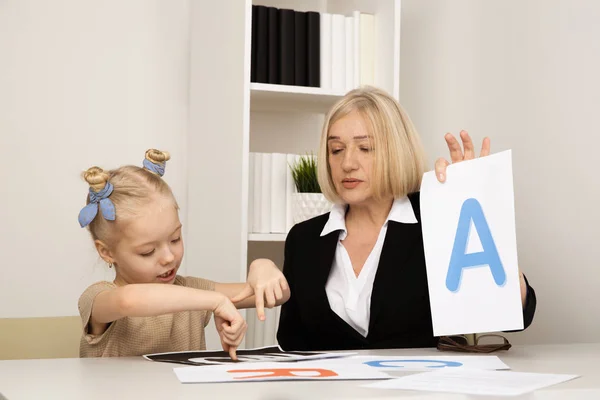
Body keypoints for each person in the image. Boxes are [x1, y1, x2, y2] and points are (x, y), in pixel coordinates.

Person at [277, 86, 536, 351]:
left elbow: (515, 315)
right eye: (336, 150)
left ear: (396, 151)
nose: (347, 163)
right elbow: (291, 341)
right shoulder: (303, 239)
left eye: (365, 148)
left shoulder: (438, 219)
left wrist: (478, 207)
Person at [77, 149, 289, 358]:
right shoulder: (97, 299)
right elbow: (128, 301)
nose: (169, 257)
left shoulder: (193, 290)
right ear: (106, 252)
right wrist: (215, 301)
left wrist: (263, 266)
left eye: (175, 239)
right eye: (148, 251)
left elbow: (280, 295)